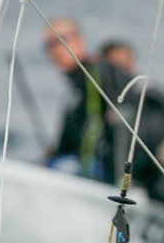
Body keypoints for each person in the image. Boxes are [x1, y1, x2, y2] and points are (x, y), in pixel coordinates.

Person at [42, 17, 129, 185]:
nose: (56, 49)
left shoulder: (99, 73)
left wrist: (121, 181)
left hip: (107, 171)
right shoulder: (74, 88)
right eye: (49, 44)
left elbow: (122, 121)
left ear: (80, 40)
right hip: (84, 165)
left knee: (59, 169)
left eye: (61, 40)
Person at [98, 39, 164, 206]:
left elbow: (147, 142)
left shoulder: (152, 98)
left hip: (152, 188)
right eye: (113, 67)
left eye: (122, 65)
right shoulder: (101, 101)